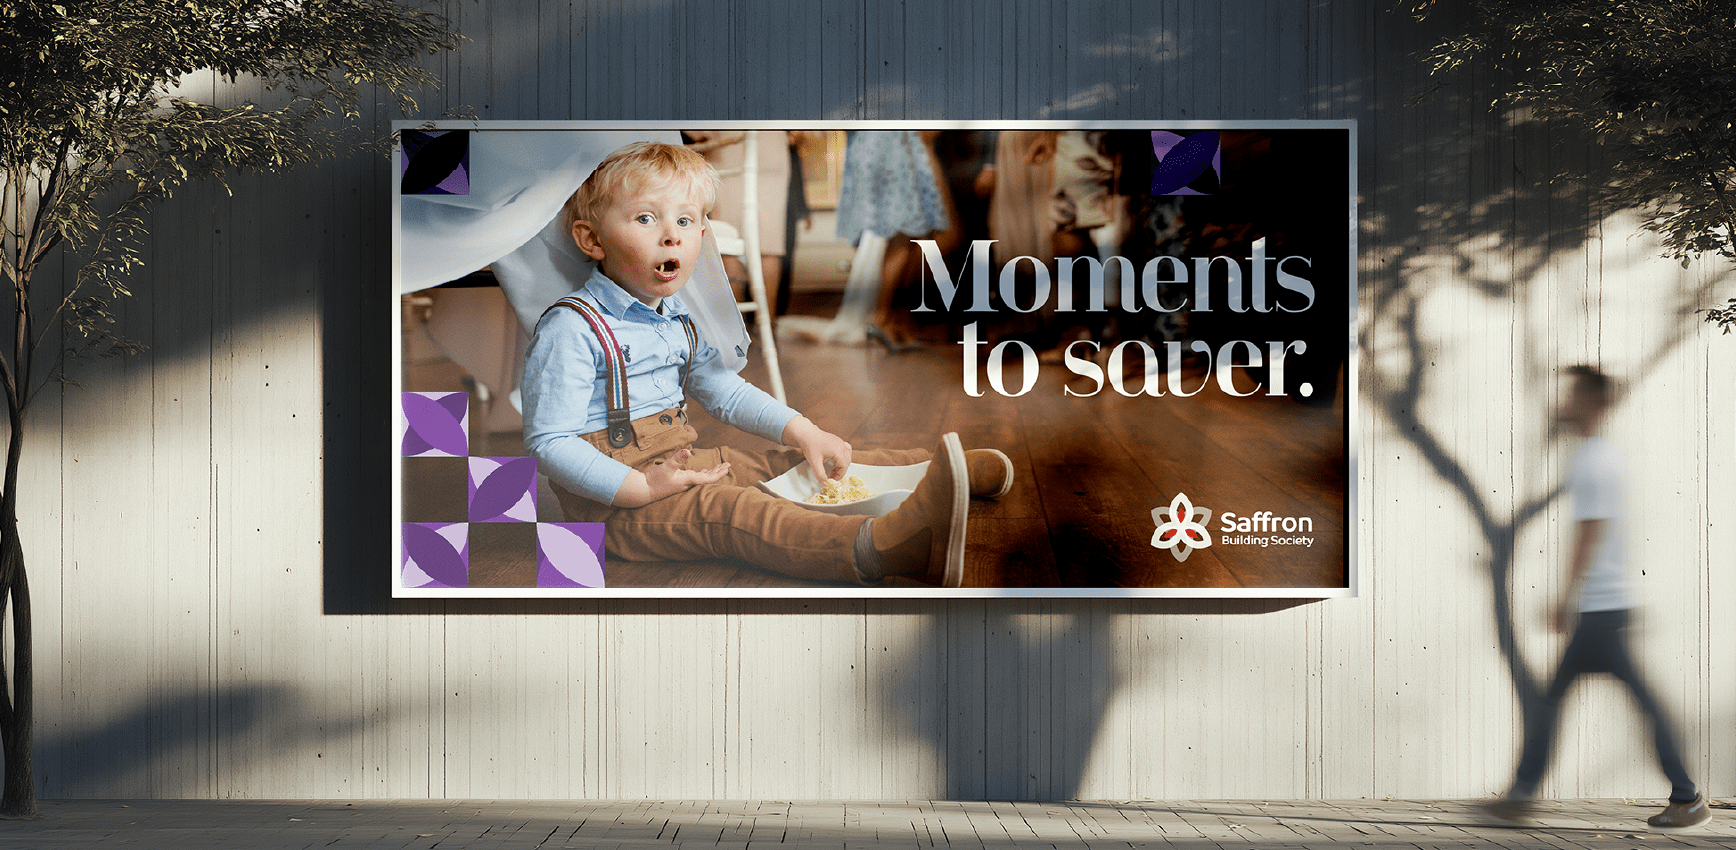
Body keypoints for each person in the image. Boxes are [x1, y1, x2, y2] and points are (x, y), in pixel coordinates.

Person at [520, 142, 1013, 587]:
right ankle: (877, 548)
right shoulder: (571, 327)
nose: (671, 236)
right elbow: (549, 442)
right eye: (646, 219)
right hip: (618, 508)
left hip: (684, 467)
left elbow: (724, 390)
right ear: (591, 239)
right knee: (736, 513)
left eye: (686, 221)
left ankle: (935, 474)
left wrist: (803, 432)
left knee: (791, 466)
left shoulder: (673, 318)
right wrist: (640, 487)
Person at [1480, 365, 1710, 832]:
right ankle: (1523, 794)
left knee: (1581, 701)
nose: (1563, 404)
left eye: (1572, 396)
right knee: (1570, 699)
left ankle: (1685, 797)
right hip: (1607, 606)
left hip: (1600, 609)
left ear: (1593, 404)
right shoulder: (1602, 454)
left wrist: (1566, 598)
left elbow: (1591, 532)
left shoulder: (1591, 458)